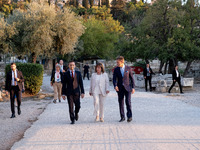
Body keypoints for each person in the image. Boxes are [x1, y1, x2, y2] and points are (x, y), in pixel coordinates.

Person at [113, 56, 135, 123]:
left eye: (118, 62)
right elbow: (114, 79)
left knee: (128, 102)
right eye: (116, 62)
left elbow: (132, 78)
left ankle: (129, 116)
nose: (117, 63)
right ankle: (122, 117)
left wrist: (133, 87)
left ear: (122, 61)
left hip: (128, 87)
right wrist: (115, 85)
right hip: (120, 88)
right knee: (121, 102)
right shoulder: (116, 69)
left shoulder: (128, 68)